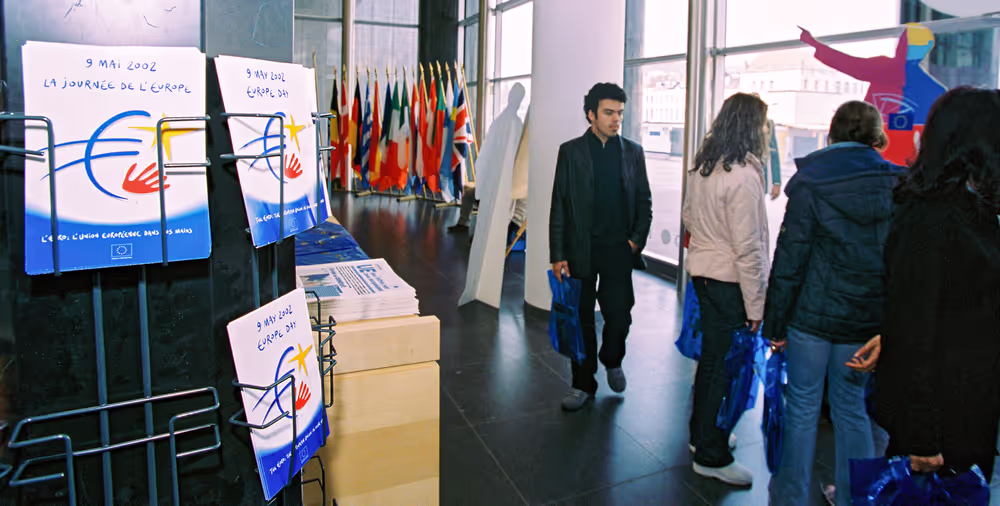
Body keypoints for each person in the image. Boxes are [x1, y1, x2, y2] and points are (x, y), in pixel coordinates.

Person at [764, 101, 905, 506]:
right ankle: (854, 498)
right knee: (852, 409)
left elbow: (790, 258)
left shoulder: (811, 182)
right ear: (876, 136)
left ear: (832, 134)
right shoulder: (898, 184)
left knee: (803, 408)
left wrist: (776, 324)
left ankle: (788, 497)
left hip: (810, 318)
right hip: (865, 321)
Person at [875, 87, 1000, 480]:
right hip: (943, 422)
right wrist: (922, 437)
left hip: (968, 405)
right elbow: (916, 331)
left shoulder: (971, 207)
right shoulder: (930, 217)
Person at [682, 92, 771, 486]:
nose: (767, 131)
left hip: (703, 275)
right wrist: (757, 305)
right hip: (729, 283)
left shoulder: (704, 166)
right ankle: (711, 455)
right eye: (765, 123)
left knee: (711, 364)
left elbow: (687, 217)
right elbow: (748, 248)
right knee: (726, 371)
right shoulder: (745, 176)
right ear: (752, 126)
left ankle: (701, 436)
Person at [549, 82, 652, 411]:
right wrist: (558, 254)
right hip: (581, 249)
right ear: (591, 114)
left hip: (619, 249)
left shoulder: (633, 152)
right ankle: (582, 382)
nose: (615, 119)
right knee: (580, 319)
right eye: (609, 113)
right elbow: (560, 205)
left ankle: (612, 358)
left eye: (620, 113)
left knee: (620, 314)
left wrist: (636, 240)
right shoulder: (571, 152)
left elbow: (644, 202)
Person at [800, 23, 947, 166]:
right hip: (905, 166)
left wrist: (813, 43)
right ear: (927, 50)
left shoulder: (884, 69)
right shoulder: (936, 90)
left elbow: (848, 64)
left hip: (871, 160)